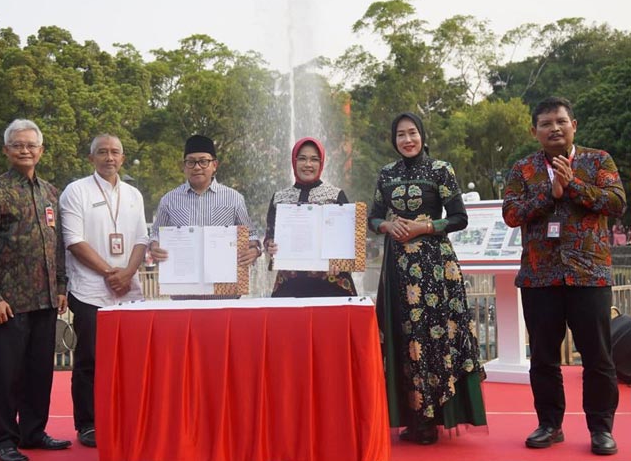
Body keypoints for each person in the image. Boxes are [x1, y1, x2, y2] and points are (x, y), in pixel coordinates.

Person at [502, 97, 625, 456]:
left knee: (598, 358)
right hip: (540, 277)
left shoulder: (598, 160)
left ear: (574, 125)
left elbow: (616, 202)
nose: (554, 128)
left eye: (560, 121)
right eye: (546, 123)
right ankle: (549, 425)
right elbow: (511, 213)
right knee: (542, 357)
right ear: (534, 130)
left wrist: (572, 187)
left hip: (590, 274)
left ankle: (601, 429)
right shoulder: (523, 169)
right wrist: (548, 193)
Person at [368, 112, 486, 445]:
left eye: (412, 133)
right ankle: (410, 416)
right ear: (394, 140)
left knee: (433, 338)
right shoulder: (386, 173)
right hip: (398, 270)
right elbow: (374, 216)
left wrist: (425, 227)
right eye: (401, 135)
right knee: (404, 339)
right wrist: (387, 226)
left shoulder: (440, 170)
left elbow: (460, 218)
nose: (407, 140)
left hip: (435, 269)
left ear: (422, 135)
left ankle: (434, 418)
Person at [0, 119, 71, 461]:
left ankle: (32, 431)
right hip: (9, 304)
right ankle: (1, 441)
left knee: (40, 372)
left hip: (45, 300)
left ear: (41, 151)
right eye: (18, 145)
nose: (25, 150)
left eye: (31, 145)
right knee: (6, 376)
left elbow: (56, 244)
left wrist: (60, 286)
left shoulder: (50, 192)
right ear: (6, 150)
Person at [59, 134, 148, 448]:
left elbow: (141, 240)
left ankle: (127, 415)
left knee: (130, 359)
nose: (109, 158)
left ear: (123, 158)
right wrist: (110, 272)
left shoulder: (134, 194)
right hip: (90, 290)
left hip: (129, 291)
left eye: (115, 152)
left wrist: (127, 274)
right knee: (90, 359)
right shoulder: (76, 191)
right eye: (102, 152)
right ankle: (88, 423)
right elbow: (74, 240)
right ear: (91, 158)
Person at [149, 135, 261, 286]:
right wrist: (154, 246)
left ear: (214, 165)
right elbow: (156, 233)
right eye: (191, 162)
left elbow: (250, 234)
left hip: (224, 291)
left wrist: (254, 250)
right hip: (183, 290)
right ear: (184, 166)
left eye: (203, 161)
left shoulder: (234, 199)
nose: (196, 167)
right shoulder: (169, 201)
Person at [264, 137, 357, 297]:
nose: (308, 164)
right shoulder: (279, 198)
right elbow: (269, 237)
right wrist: (270, 245)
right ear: (294, 161)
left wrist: (340, 260)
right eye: (302, 159)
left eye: (314, 159)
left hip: (332, 283)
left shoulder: (335, 195)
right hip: (290, 284)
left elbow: (350, 240)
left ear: (321, 163)